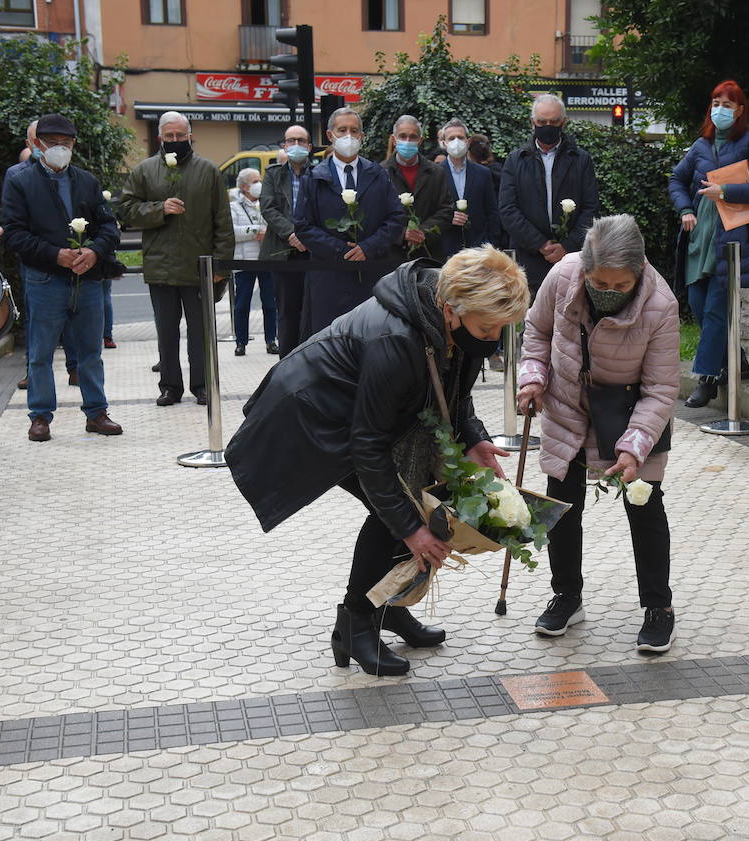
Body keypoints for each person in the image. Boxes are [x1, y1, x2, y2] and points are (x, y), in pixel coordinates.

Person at [226, 246, 528, 676]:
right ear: (450, 309)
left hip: (357, 413)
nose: (494, 339)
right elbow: (367, 446)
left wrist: (474, 438)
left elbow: (453, 386)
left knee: (404, 505)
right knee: (394, 513)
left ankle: (387, 607)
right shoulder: (396, 339)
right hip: (314, 418)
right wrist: (410, 530)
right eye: (486, 329)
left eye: (502, 328)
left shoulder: (450, 321)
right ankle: (355, 624)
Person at [517, 216, 679, 653]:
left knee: (645, 506)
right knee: (561, 505)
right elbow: (537, 331)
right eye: (598, 281)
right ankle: (567, 596)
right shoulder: (564, 273)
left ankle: (659, 607)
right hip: (569, 403)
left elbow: (661, 388)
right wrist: (532, 378)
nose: (607, 291)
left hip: (631, 411)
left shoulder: (660, 304)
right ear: (584, 269)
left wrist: (633, 447)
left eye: (619, 284)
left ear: (640, 271)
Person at [1, 113, 123, 442]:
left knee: (90, 351)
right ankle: (40, 416)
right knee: (41, 352)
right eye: (53, 144)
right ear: (37, 145)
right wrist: (55, 254)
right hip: (45, 278)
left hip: (88, 278)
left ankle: (96, 412)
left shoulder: (86, 180)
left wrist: (94, 251)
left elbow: (109, 226)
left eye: (66, 144)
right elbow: (13, 234)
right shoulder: (19, 179)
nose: (60, 149)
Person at [669, 80, 749, 410]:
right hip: (699, 239)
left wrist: (726, 192)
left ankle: (707, 378)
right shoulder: (700, 146)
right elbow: (676, 180)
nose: (720, 109)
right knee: (700, 306)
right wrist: (685, 209)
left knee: (717, 309)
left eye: (728, 104)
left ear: (740, 110)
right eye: (716, 102)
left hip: (732, 238)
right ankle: (736, 359)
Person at [115, 110, 233, 406]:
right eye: (170, 136)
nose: (176, 140)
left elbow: (223, 220)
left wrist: (221, 264)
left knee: (201, 332)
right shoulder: (144, 170)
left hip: (200, 267)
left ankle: (202, 385)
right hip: (161, 266)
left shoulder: (208, 170)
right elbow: (126, 209)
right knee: (166, 332)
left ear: (190, 136)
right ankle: (169, 386)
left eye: (181, 135)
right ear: (160, 138)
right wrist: (159, 209)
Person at [294, 106, 406, 338]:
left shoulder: (378, 175)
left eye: (354, 131)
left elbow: (396, 218)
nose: (348, 136)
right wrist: (339, 250)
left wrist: (368, 247)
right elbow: (303, 225)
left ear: (362, 137)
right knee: (329, 342)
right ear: (330, 135)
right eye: (342, 130)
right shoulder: (314, 177)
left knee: (370, 340)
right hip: (329, 277)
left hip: (371, 275)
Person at [500, 94, 599, 295]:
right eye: (542, 122)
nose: (547, 126)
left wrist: (567, 245)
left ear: (563, 122)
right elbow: (507, 209)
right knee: (529, 322)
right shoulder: (515, 160)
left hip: (571, 258)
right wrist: (540, 244)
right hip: (528, 259)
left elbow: (591, 208)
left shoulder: (581, 160)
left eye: (553, 122)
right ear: (532, 122)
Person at [259, 124, 312, 358]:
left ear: (309, 146)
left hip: (314, 253)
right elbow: (268, 208)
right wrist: (292, 234)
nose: (296, 145)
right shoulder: (273, 174)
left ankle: (313, 362)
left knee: (312, 311)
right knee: (287, 313)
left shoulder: (320, 173)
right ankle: (287, 364)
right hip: (283, 252)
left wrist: (308, 237)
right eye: (292, 141)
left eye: (301, 140)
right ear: (284, 145)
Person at [383, 114, 455, 263]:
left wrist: (422, 232)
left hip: (430, 255)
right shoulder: (380, 173)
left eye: (413, 137)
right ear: (394, 139)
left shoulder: (436, 172)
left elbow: (446, 210)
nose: (407, 141)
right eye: (402, 136)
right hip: (392, 257)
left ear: (420, 140)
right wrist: (403, 234)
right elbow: (375, 214)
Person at [229, 167, 278, 356]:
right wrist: (255, 231)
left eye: (260, 180)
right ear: (243, 186)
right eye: (254, 181)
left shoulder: (267, 203)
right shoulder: (233, 206)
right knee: (242, 304)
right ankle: (240, 342)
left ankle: (271, 340)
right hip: (244, 261)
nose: (259, 184)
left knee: (270, 303)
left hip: (266, 258)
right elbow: (232, 232)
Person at [437, 118, 500, 256]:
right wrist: (448, 218)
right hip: (445, 249)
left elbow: (492, 212)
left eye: (460, 137)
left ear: (468, 141)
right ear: (444, 143)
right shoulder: (435, 173)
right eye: (451, 138)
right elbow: (429, 211)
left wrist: (491, 244)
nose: (456, 141)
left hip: (478, 249)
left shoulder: (483, 173)